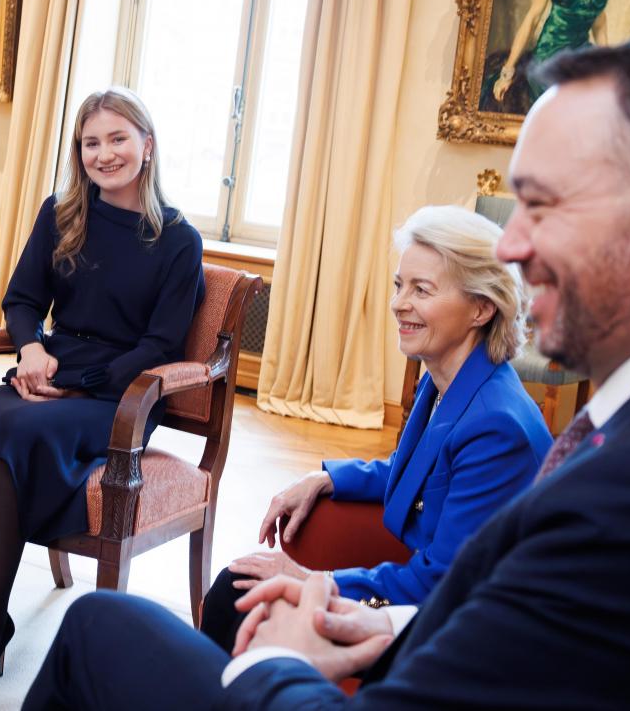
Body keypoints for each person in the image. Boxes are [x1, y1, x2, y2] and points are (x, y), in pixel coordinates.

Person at [22, 35, 630, 709]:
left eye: (543, 205)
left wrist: (281, 661)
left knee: (97, 628)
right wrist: (386, 621)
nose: (510, 247)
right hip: (421, 634)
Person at [0, 87, 204, 700]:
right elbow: (21, 300)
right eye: (91, 143)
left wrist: (72, 382)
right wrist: (32, 349)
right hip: (49, 369)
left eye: (118, 139)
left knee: (10, 438)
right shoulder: (61, 213)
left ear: (147, 147)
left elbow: (161, 345)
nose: (105, 154)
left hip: (118, 394)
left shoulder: (177, 238)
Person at [199, 205, 551, 652]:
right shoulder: (447, 380)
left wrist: (313, 581)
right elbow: (421, 473)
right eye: (400, 285)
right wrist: (325, 478)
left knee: (239, 596)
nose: (400, 303)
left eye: (422, 290)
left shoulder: (497, 427)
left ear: (481, 308)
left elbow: (440, 583)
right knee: (237, 586)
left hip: (455, 631)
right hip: (424, 587)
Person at [482, 0, 618, 112]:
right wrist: (507, 72)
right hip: (551, 51)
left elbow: (598, 17)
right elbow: (532, 17)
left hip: (582, 50)